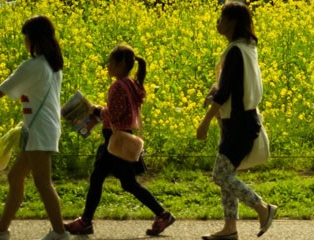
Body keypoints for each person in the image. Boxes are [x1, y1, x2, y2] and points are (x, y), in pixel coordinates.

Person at [0, 15, 70, 240]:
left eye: (26, 37)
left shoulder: (33, 66)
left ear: (33, 39)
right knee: (15, 176)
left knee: (42, 182)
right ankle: (1, 229)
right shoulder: (54, 65)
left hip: (39, 130)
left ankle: (60, 233)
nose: (24, 42)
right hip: (43, 128)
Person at [63, 44, 176, 236]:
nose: (107, 66)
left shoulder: (117, 86)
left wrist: (96, 111)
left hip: (115, 141)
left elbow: (114, 115)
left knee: (99, 178)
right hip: (125, 137)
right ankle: (162, 214)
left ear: (121, 63)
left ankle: (86, 222)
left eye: (110, 62)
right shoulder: (133, 84)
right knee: (125, 183)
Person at [195, 2, 278, 239]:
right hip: (239, 121)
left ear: (232, 22)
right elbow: (231, 85)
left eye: (221, 17)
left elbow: (226, 93)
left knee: (221, 175)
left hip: (239, 123)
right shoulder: (245, 48)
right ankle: (230, 229)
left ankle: (263, 208)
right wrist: (215, 89)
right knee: (226, 175)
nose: (218, 21)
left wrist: (205, 122)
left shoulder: (236, 51)